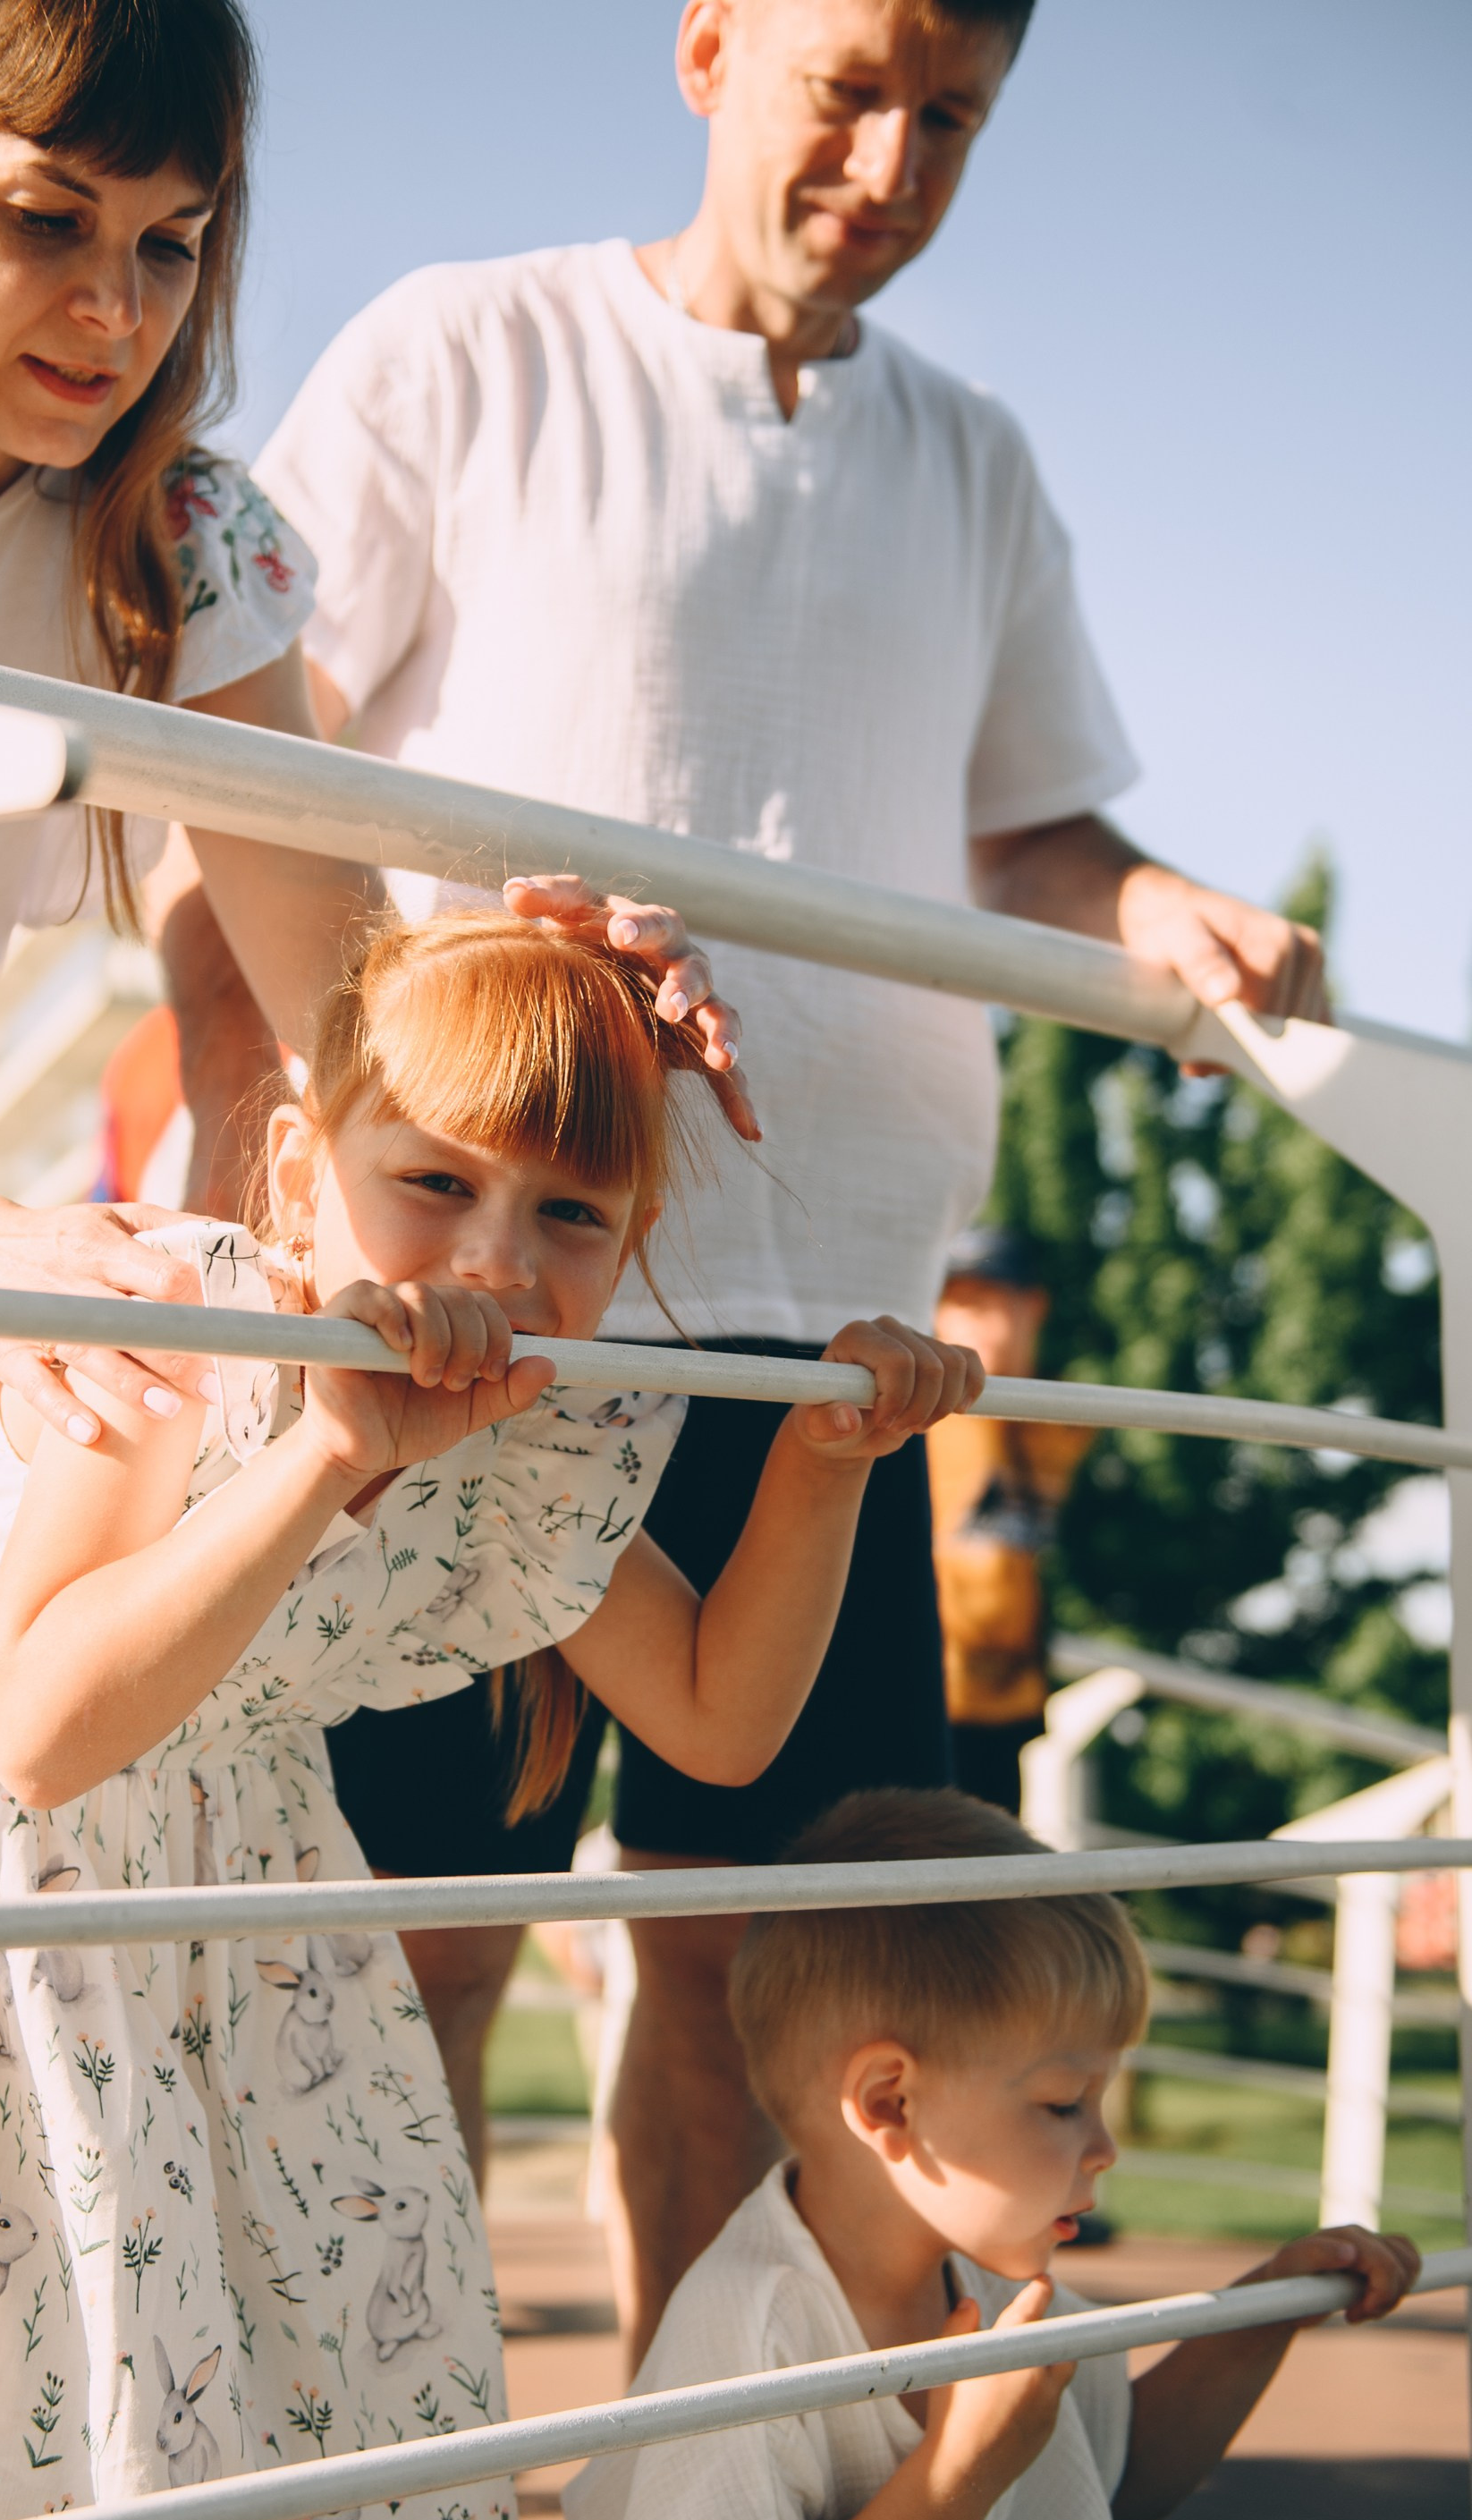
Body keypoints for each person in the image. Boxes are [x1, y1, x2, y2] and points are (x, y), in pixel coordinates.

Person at [183, 0, 1333, 2357]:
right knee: (421, 1936)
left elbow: (1036, 827)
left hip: (834, 1344)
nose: (898, 156)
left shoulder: (973, 459)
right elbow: (234, 769)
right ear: (710, 45)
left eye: (959, 116)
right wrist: (250, 1174)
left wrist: (1160, 909)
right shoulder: (458, 354)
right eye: (856, 85)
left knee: (761, 1993)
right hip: (493, 1310)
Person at [0, 912, 981, 2520]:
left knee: (339, 2322)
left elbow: (717, 1715)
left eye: (570, 1218)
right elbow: (42, 1726)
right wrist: (326, 1454)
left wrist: (821, 1475)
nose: (494, 1258)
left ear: (634, 1249)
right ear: (308, 1173)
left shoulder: (535, 1435)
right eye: (435, 1182)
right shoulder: (175, 1324)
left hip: (232, 1846)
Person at [0, 0, 734, 1620]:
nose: (113, 311)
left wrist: (547, 989)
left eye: (173, 244)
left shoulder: (174, 533)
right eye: (48, 218)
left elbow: (344, 997)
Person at [565, 1788, 1418, 2520]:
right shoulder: (748, 2321)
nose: (1104, 2146)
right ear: (892, 2102)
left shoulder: (984, 2266)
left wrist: (1267, 2311)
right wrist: (957, 2474)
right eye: (1062, 2103)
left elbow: (1129, 2474)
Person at [931, 1227, 1090, 1813]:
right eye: (956, 1303)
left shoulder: (1057, 1421)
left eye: (989, 1302)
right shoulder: (921, 1421)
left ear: (1033, 1308)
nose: (971, 1323)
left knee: (988, 1884)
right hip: (925, 1696)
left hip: (1009, 1699)